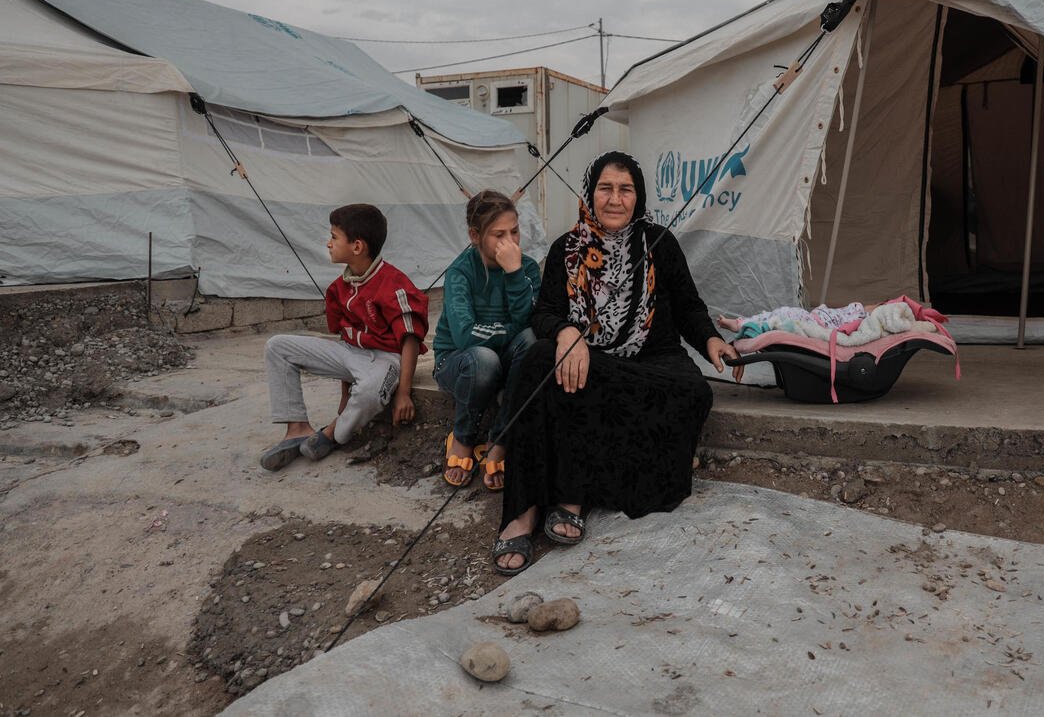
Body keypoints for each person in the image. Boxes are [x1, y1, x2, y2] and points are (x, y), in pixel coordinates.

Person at [490, 151, 742, 575]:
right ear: (590, 193)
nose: (614, 199)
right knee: (539, 358)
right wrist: (569, 332)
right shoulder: (566, 249)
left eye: (626, 189)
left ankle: (574, 493)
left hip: (651, 361)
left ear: (638, 197)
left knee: (694, 392)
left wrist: (712, 340)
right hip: (589, 361)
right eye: (605, 188)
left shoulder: (660, 244)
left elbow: (688, 306)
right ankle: (525, 510)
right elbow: (545, 312)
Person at [258, 204, 428, 470]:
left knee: (372, 389)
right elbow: (346, 340)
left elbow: (410, 340)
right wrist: (345, 392)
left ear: (357, 246)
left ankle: (332, 434)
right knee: (278, 346)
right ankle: (297, 429)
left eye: (334, 237)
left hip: (388, 360)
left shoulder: (393, 283)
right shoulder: (339, 289)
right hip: (352, 354)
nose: (328, 243)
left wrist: (404, 393)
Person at [432, 190, 541, 489]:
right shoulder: (460, 272)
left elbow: (530, 322)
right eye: (498, 234)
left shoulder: (527, 268)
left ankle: (499, 439)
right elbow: (465, 335)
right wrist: (509, 330)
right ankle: (463, 437)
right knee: (483, 358)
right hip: (458, 362)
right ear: (475, 236)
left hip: (502, 359)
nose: (510, 242)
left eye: (514, 232)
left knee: (533, 341)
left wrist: (514, 273)